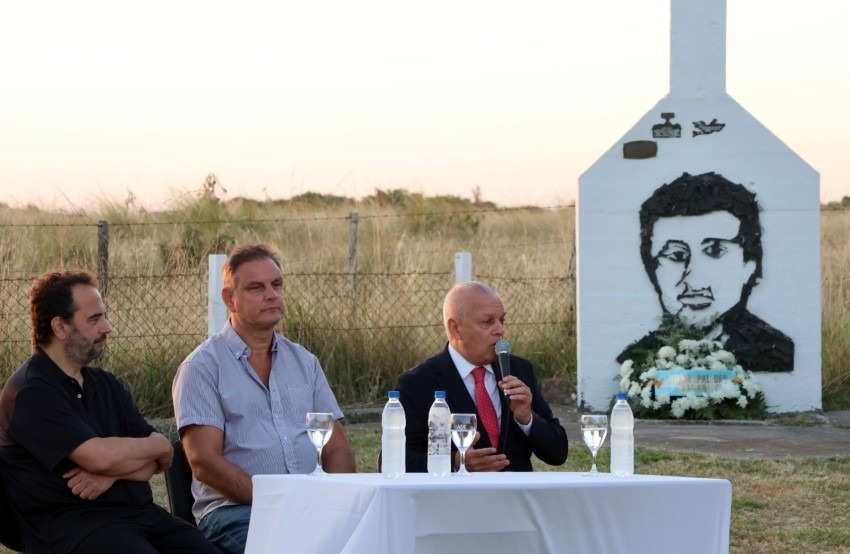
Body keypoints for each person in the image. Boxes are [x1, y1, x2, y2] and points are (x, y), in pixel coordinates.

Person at [0, 270, 219, 554]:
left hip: (140, 516)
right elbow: (99, 457)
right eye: (94, 319)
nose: (107, 327)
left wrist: (110, 475)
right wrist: (139, 453)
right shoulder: (31, 391)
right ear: (60, 326)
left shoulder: (106, 384)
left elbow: (163, 455)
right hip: (74, 528)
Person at [172, 243, 356, 554]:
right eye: (256, 287)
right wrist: (278, 502)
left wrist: (336, 505)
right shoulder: (202, 368)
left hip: (309, 507)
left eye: (277, 284)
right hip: (236, 513)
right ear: (229, 299)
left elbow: (337, 448)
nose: (272, 295)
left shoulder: (304, 362)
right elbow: (204, 462)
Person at [618, 171, 794, 372]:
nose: (694, 281)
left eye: (715, 251)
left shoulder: (777, 353)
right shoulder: (637, 361)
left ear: (750, 263)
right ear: (651, 269)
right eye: (676, 255)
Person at [397, 281, 568, 472]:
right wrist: (454, 463)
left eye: (502, 320)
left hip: (514, 490)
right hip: (458, 491)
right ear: (455, 329)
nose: (500, 330)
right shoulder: (417, 383)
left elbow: (558, 453)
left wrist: (527, 418)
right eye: (487, 322)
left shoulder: (519, 370)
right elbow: (395, 459)